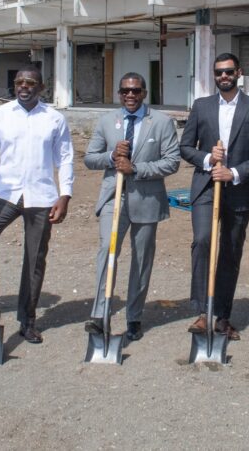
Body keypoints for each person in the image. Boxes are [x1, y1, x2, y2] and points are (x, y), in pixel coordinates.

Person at [0, 67, 74, 344]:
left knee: (34, 258)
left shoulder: (54, 118)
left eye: (30, 83)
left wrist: (65, 195)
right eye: (19, 82)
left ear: (41, 87)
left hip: (41, 196)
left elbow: (64, 158)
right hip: (4, 192)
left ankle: (27, 320)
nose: (24, 87)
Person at [180, 52, 249, 339]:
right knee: (202, 240)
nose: (224, 76)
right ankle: (202, 311)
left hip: (240, 189)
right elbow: (186, 147)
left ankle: (222, 315)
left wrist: (233, 173)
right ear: (214, 75)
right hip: (207, 186)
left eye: (229, 71)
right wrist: (209, 158)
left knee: (230, 251)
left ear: (239, 73)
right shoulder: (201, 106)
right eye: (219, 72)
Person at [83, 72, 180, 342]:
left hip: (147, 200)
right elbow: (90, 158)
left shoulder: (161, 123)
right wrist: (112, 156)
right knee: (107, 251)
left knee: (141, 259)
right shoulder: (106, 121)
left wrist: (136, 168)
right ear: (119, 93)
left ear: (144, 93)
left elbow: (172, 162)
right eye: (125, 91)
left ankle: (134, 316)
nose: (130, 95)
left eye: (136, 91)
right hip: (114, 196)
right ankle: (100, 314)